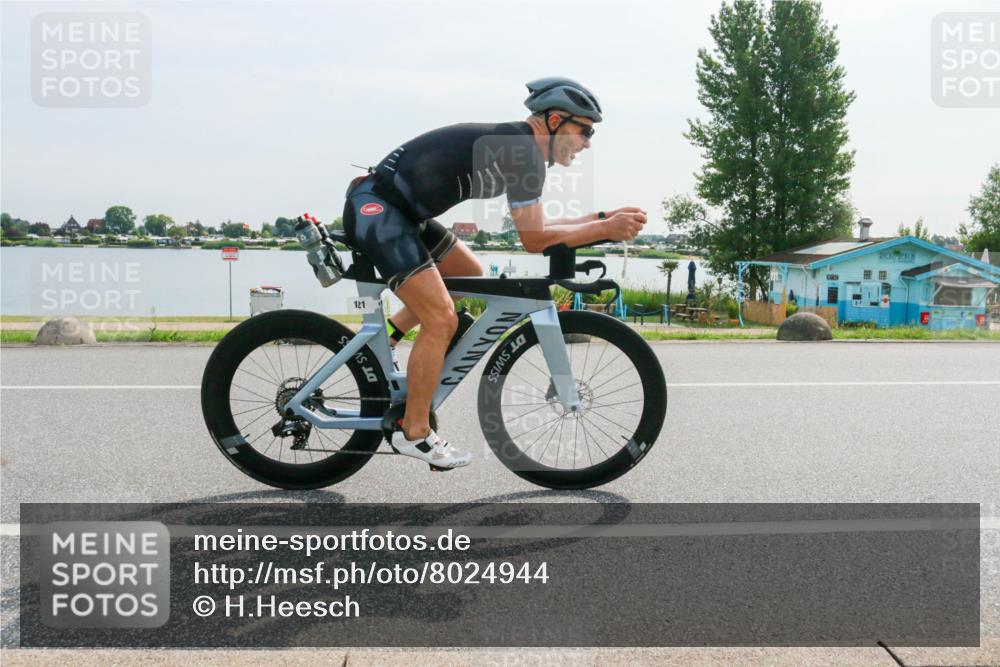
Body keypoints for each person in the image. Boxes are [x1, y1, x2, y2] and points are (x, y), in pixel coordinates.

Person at [341, 77, 646, 470]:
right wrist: (605, 230)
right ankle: (412, 430)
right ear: (554, 120)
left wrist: (605, 218)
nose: (588, 141)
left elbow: (539, 226)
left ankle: (389, 338)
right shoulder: (522, 152)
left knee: (469, 273)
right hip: (379, 210)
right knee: (440, 319)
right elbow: (535, 241)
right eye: (584, 129)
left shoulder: (521, 148)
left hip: (402, 213)